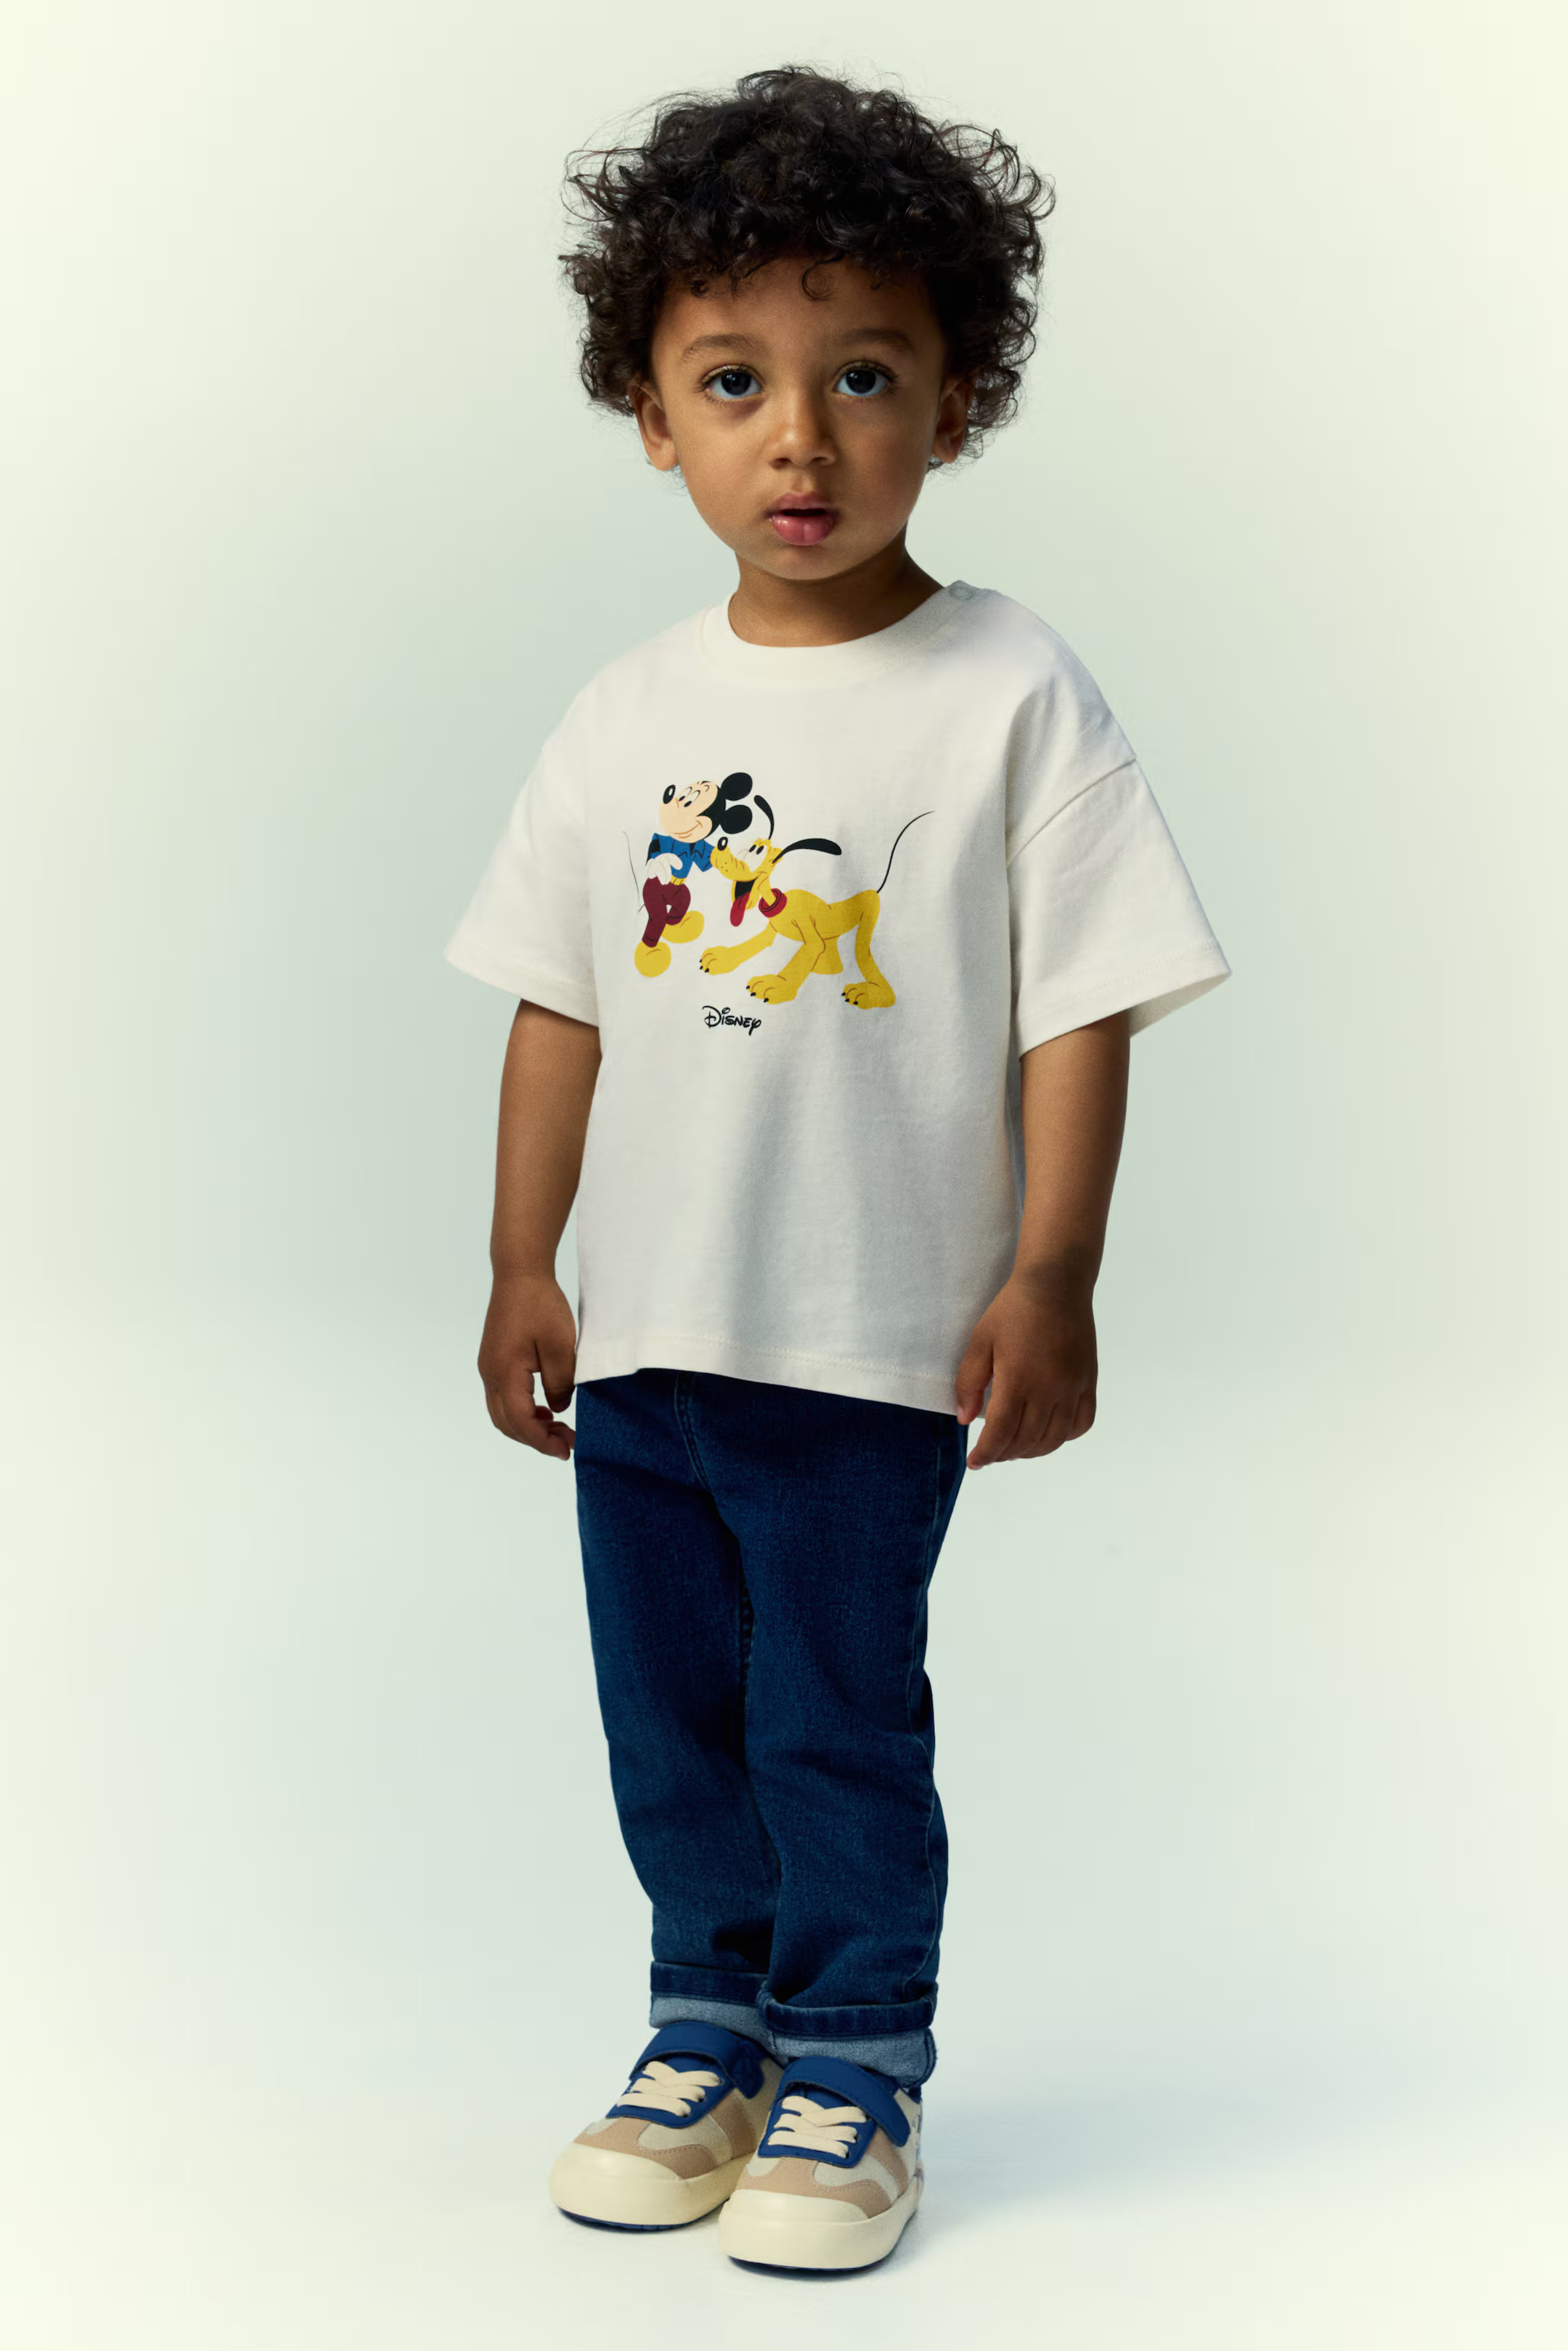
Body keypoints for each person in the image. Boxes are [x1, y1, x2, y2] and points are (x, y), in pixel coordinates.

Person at [444, 65, 1230, 2273]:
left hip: (871, 1343)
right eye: (735, 381)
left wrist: (1053, 1275)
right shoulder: (623, 714)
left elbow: (1083, 1007)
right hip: (653, 1334)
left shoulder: (1012, 691)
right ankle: (708, 2026)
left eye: (863, 376)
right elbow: (559, 1005)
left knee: (834, 1713)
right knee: (672, 1713)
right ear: (651, 417)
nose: (801, 438)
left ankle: (860, 2054)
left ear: (953, 402)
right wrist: (521, 1262)